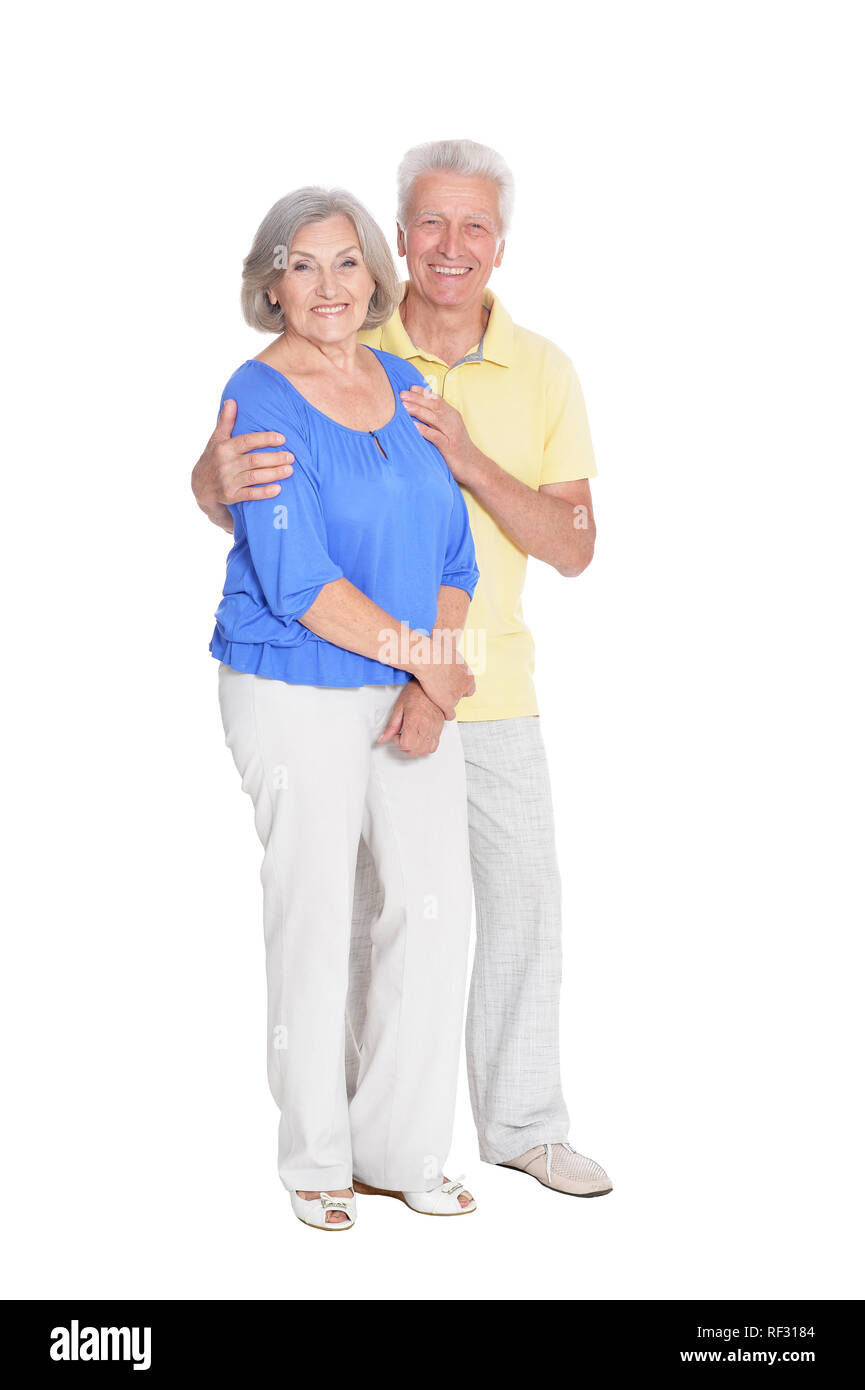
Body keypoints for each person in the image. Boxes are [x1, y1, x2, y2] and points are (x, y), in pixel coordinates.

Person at [194, 140, 612, 1199]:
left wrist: (439, 661)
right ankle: (332, 1155)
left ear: (501, 246)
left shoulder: (509, 374)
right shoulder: (316, 358)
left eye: (474, 226)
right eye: (430, 222)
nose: (450, 245)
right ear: (399, 238)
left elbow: (544, 546)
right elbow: (268, 537)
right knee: (339, 917)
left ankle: (475, 1135)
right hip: (345, 673)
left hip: (477, 677)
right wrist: (208, 472)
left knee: (475, 910)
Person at [210, 185, 480, 1230]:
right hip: (290, 682)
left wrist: (430, 682)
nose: (327, 285)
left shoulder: (408, 383)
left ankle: (401, 1148)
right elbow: (298, 580)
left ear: (374, 276)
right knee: (317, 911)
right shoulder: (256, 396)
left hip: (409, 678)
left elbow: (453, 550)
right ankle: (315, 1155)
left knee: (430, 908)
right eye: (301, 264)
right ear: (270, 284)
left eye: (345, 262)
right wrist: (428, 664)